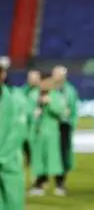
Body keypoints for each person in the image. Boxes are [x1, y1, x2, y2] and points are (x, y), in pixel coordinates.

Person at [28, 72, 64, 196]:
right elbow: (28, 111)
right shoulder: (33, 95)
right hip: (38, 132)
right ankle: (39, 184)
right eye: (44, 82)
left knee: (54, 159)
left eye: (49, 82)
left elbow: (60, 112)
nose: (46, 84)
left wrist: (50, 104)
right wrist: (34, 114)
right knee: (38, 160)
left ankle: (60, 185)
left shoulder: (56, 96)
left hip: (52, 132)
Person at [0, 61, 26, 209]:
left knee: (13, 202)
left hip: (10, 160)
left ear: (3, 75)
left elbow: (18, 132)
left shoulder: (16, 99)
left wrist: (2, 156)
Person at [52, 65, 79, 192]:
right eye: (55, 74)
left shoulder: (70, 90)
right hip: (51, 126)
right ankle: (41, 181)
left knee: (63, 153)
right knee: (47, 154)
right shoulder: (49, 88)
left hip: (64, 126)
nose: (56, 76)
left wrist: (71, 124)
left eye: (58, 74)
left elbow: (73, 110)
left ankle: (60, 182)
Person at [20, 69, 40, 166]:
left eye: (34, 78)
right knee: (24, 140)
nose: (32, 80)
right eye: (31, 78)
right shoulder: (23, 90)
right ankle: (28, 157)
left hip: (38, 121)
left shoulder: (43, 91)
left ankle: (35, 158)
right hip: (25, 121)